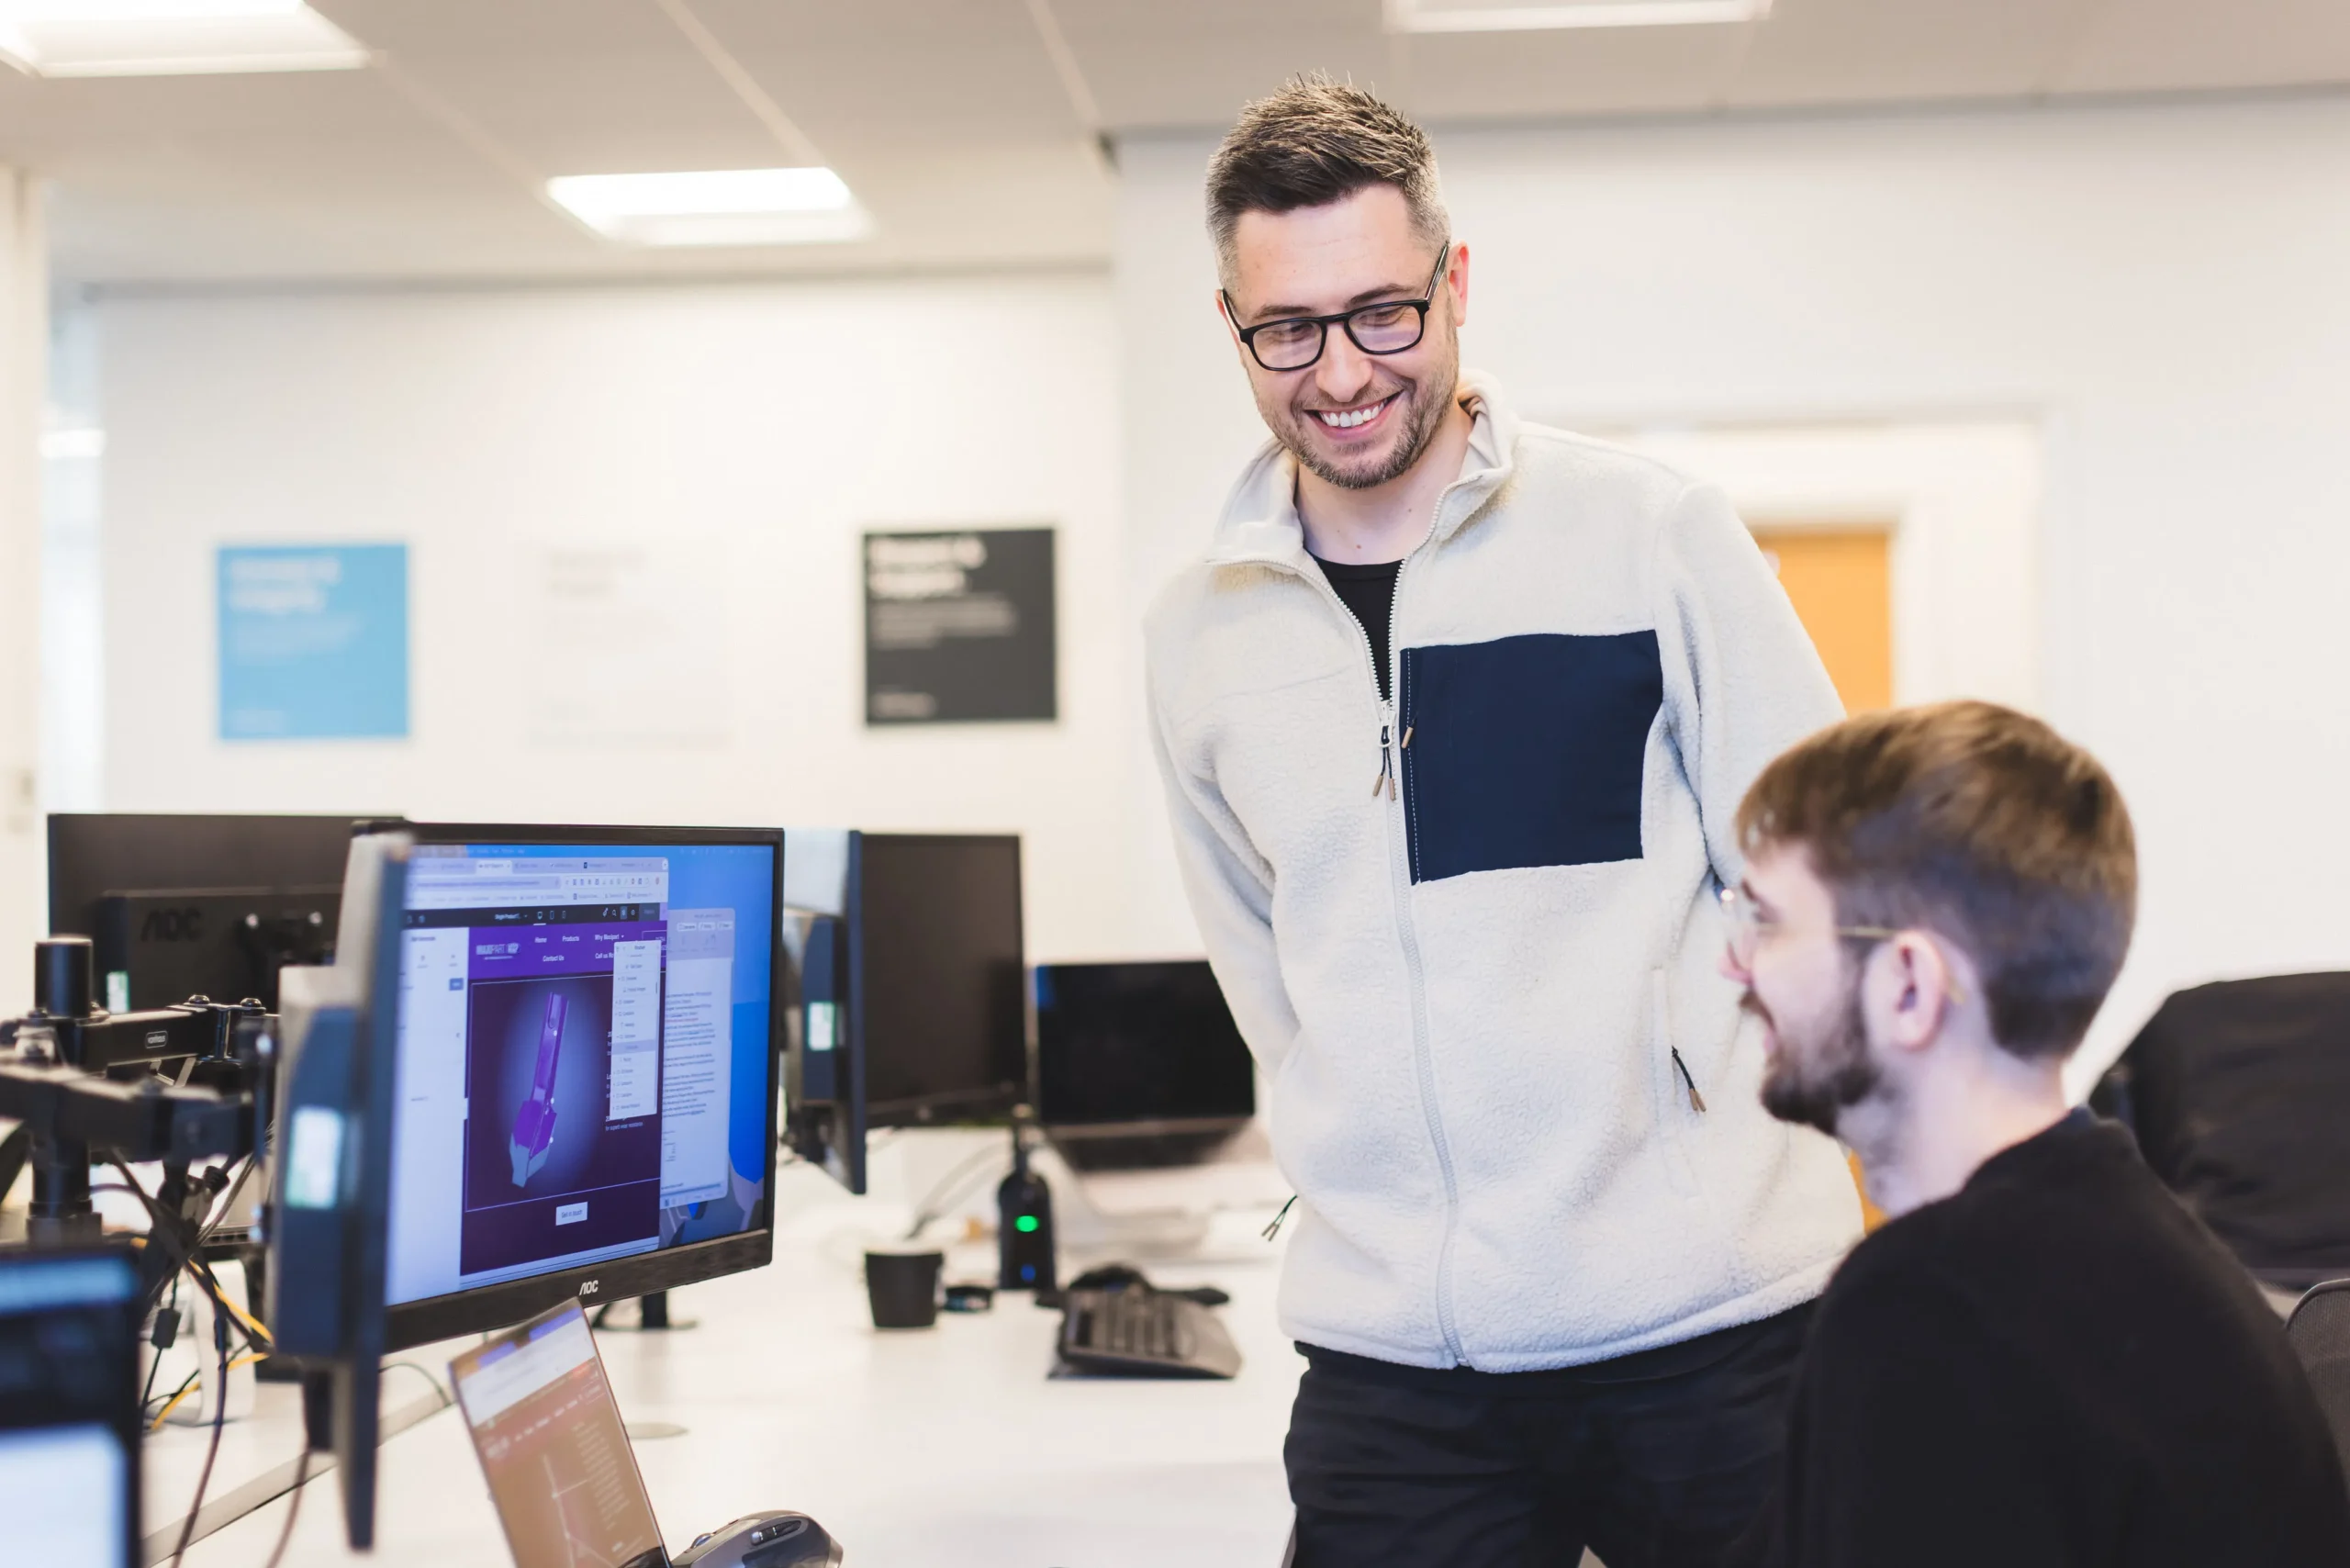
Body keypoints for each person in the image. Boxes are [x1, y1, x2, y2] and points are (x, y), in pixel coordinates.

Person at [1143, 76, 1863, 1566]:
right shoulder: (1198, 632)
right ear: (1233, 324)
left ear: (1456, 284)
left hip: (1711, 1330)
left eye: (1383, 312)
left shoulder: (1648, 533)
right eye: (1289, 329)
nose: (1340, 371)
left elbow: (1819, 884)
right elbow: (1266, 975)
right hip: (1397, 1358)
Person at [1723, 700, 2350, 1565]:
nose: (1733, 961)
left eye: (1766, 922)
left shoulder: (1936, 1307)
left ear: (1907, 985)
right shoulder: (2127, 1246)